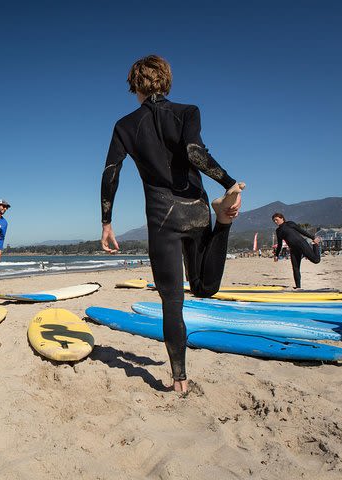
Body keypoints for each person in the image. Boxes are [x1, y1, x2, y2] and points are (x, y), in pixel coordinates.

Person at [99, 55, 245, 394]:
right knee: (206, 288)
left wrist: (107, 222)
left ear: (134, 85)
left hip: (162, 217)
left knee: (172, 301)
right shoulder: (188, 111)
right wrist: (228, 182)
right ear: (167, 81)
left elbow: (111, 174)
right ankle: (223, 221)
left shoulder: (124, 125)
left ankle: (179, 378)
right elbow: (194, 152)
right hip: (195, 207)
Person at [272, 213, 321, 288]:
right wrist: (276, 255)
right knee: (295, 268)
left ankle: (315, 244)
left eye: (276, 219)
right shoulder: (278, 231)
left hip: (302, 244)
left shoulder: (289, 224)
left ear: (282, 218)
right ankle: (298, 287)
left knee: (316, 260)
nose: (275, 222)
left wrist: (313, 238)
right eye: (274, 221)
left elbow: (301, 231)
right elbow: (279, 244)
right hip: (293, 249)